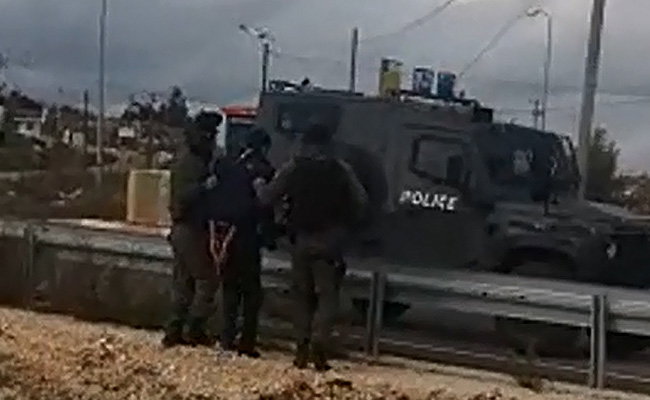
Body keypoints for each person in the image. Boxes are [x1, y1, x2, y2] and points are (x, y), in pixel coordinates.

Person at [257, 123, 368, 371]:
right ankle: (319, 342)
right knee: (327, 297)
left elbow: (267, 197)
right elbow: (361, 202)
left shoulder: (293, 167)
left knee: (302, 297)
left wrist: (260, 188)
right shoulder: (341, 169)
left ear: (305, 142)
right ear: (329, 143)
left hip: (301, 240)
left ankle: (301, 349)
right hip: (330, 242)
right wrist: (346, 224)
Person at [212, 127, 276, 357]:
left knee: (230, 290)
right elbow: (265, 203)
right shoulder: (262, 170)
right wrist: (271, 234)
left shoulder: (228, 165)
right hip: (248, 236)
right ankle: (246, 343)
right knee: (251, 293)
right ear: (264, 147)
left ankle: (226, 338)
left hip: (223, 234)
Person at [163, 109, 223, 348]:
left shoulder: (191, 158)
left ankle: (174, 330)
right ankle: (194, 329)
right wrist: (205, 186)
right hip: (190, 228)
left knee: (184, 282)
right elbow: (184, 196)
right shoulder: (192, 162)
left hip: (184, 228)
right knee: (206, 280)